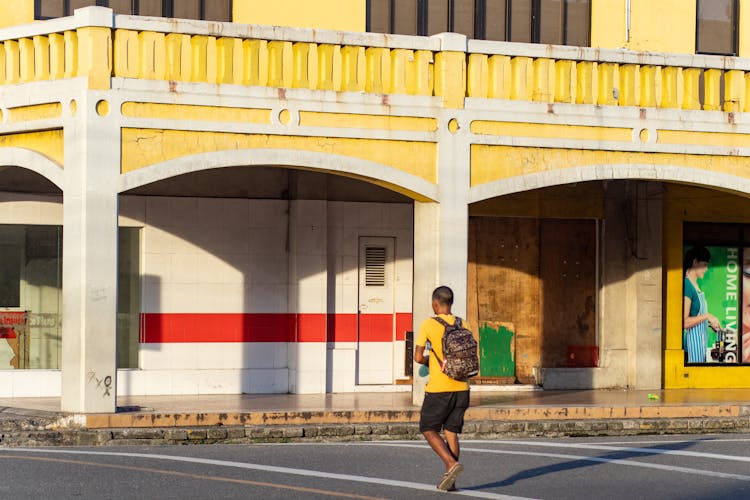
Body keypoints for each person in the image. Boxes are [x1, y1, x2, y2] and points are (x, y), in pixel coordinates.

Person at [414, 285, 469, 491]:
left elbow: (418, 357)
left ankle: (451, 464)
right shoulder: (464, 324)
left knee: (428, 428)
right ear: (451, 303)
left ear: (435, 304)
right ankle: (451, 482)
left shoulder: (429, 324)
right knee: (451, 432)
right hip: (463, 388)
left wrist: (432, 362)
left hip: (440, 389)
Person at [683, 246, 720, 363]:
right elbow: (684, 322)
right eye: (704, 265)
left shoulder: (696, 286)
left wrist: (711, 322)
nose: (706, 269)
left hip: (700, 349)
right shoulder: (687, 286)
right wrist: (707, 316)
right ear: (695, 262)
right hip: (691, 350)